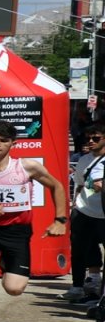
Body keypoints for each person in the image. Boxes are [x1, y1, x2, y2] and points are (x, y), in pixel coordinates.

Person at [0, 120, 68, 322]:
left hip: (16, 233)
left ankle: (6, 262)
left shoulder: (27, 166)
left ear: (13, 143)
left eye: (3, 140)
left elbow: (57, 186)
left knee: (14, 288)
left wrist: (60, 220)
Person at [65, 123, 105, 302]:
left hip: (103, 213)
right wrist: (74, 205)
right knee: (80, 250)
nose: (90, 141)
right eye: (88, 138)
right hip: (83, 210)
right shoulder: (83, 160)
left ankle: (98, 289)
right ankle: (78, 286)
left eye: (96, 138)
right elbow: (80, 184)